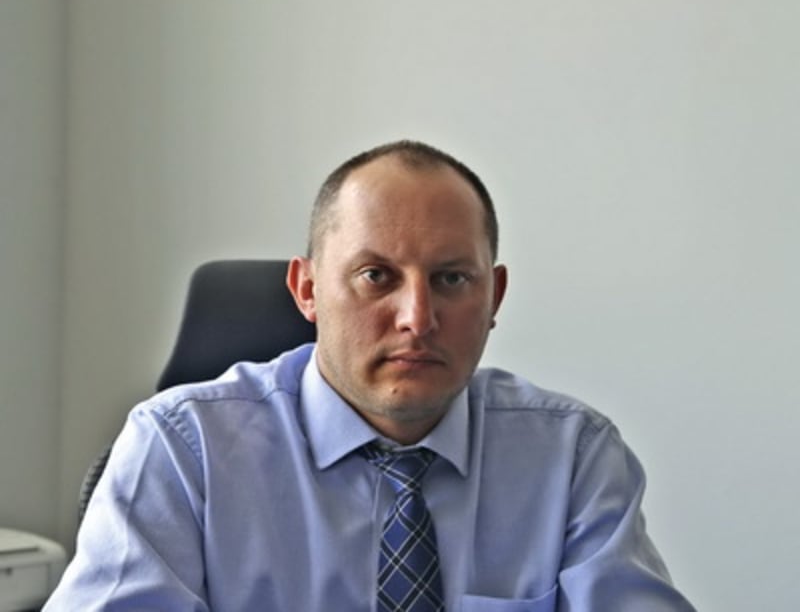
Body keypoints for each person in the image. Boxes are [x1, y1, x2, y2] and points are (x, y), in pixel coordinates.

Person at [44, 140, 696, 611]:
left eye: (451, 279)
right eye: (375, 276)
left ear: (493, 297)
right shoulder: (182, 450)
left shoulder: (572, 458)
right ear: (307, 290)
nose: (417, 317)